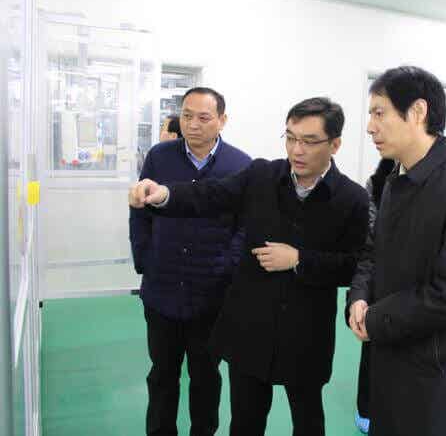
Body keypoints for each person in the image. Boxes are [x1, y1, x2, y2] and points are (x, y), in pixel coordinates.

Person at [129, 97, 369, 436]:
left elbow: (354, 265)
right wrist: (165, 194)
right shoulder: (262, 175)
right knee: (244, 422)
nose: (297, 150)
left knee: (308, 420)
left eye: (309, 141)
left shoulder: (352, 198)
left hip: (305, 332)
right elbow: (210, 195)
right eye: (290, 138)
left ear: (335, 144)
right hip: (250, 327)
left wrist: (299, 259)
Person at [347, 66, 446, 436]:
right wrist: (359, 296)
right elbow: (373, 252)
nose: (370, 127)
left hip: (437, 374)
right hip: (391, 355)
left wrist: (377, 319)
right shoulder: (395, 180)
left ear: (417, 112)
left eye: (379, 113)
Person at [129, 87, 251, 436]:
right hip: (162, 289)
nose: (193, 124)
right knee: (162, 374)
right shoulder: (159, 157)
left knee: (206, 375)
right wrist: (145, 259)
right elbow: (140, 211)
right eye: (186, 116)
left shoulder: (240, 165)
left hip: (212, 295)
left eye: (203, 117)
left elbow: (246, 226)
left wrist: (227, 266)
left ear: (222, 120)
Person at [350, 158, 395, 434]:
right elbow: (370, 236)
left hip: (407, 287)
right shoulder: (376, 184)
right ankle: (366, 409)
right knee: (372, 346)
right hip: (378, 276)